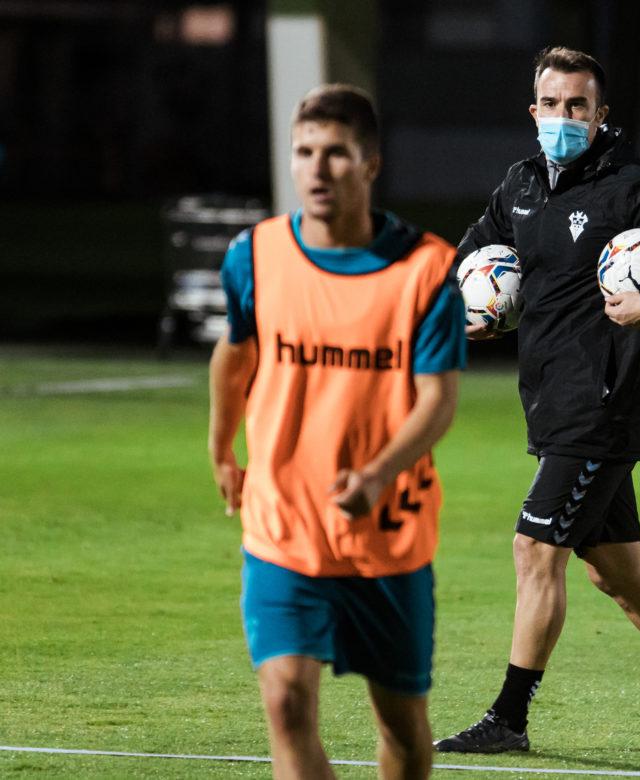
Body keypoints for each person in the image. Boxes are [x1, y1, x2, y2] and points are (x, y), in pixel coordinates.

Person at [434, 46, 640, 754]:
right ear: (534, 110)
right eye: (552, 105)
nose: (564, 118)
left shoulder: (628, 186)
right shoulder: (519, 186)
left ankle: (508, 720)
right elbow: (470, 259)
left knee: (533, 548)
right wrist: (470, 312)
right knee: (617, 571)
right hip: (551, 400)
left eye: (578, 106)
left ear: (600, 114)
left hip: (603, 401)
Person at [208, 84, 464, 780]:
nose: (317, 169)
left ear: (370, 164)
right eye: (304, 152)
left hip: (387, 537)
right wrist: (221, 448)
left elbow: (437, 399)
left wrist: (378, 473)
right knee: (287, 702)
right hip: (282, 529)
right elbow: (235, 354)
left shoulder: (428, 270)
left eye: (337, 154)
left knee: (404, 731)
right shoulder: (254, 257)